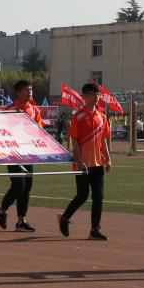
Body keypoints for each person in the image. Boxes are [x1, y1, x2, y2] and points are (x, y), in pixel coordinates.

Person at [58, 83, 111, 241]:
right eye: (93, 94)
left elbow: (103, 140)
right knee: (82, 195)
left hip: (97, 163)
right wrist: (79, 160)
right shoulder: (78, 116)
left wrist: (108, 158)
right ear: (85, 97)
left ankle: (94, 229)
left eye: (98, 94)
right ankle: (64, 218)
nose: (96, 97)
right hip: (82, 163)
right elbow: (74, 140)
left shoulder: (102, 117)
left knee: (98, 197)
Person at [0, 80, 41, 232]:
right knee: (18, 186)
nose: (30, 92)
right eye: (27, 90)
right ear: (18, 92)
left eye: (31, 90)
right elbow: (1, 131)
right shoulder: (9, 110)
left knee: (27, 187)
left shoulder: (34, 110)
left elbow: (40, 131)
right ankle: (2, 211)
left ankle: (21, 221)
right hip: (13, 154)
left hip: (29, 153)